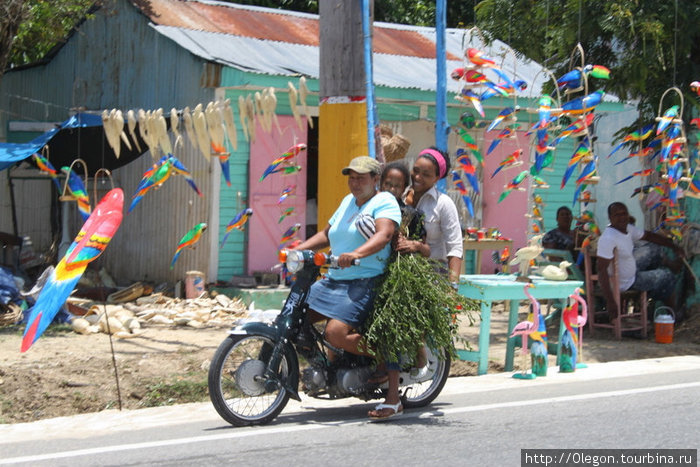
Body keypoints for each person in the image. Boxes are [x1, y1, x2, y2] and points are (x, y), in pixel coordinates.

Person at [368, 148, 463, 421]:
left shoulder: (443, 204)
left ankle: (394, 395)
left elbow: (455, 248)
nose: (418, 176)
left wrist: (451, 288)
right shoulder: (396, 193)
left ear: (437, 178)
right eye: (417, 170)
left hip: (427, 272)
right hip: (394, 265)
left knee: (398, 317)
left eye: (426, 174)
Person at [291, 155, 401, 361]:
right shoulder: (347, 201)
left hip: (364, 282)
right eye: (352, 178)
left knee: (335, 333)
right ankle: (322, 367)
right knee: (294, 316)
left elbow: (383, 235)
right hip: (333, 280)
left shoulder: (384, 201)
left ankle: (388, 359)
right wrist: (296, 250)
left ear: (375, 179)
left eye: (361, 178)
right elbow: (326, 234)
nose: (355, 183)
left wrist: (355, 254)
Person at [596, 202, 684, 322]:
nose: (622, 217)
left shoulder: (626, 228)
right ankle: (672, 313)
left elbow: (649, 236)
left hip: (631, 269)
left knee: (654, 249)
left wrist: (674, 246)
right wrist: (610, 301)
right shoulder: (608, 239)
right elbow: (601, 271)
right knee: (667, 276)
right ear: (610, 218)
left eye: (624, 214)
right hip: (626, 282)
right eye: (617, 215)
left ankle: (666, 268)